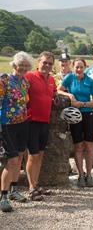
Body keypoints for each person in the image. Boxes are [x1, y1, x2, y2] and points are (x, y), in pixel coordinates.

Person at [57, 58, 93, 187]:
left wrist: (83, 103)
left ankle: (89, 175)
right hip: (74, 116)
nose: (79, 69)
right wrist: (69, 95)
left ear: (85, 67)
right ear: (73, 67)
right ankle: (81, 175)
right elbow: (58, 90)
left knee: (89, 147)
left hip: (88, 115)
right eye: (77, 67)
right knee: (78, 146)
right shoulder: (69, 78)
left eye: (81, 67)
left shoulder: (90, 81)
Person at [24, 51, 60, 201]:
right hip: (31, 121)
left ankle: (36, 184)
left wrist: (56, 95)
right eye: (44, 62)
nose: (47, 65)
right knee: (32, 156)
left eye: (50, 63)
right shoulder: (29, 76)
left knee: (40, 155)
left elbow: (54, 91)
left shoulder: (51, 79)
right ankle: (31, 188)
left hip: (44, 122)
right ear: (38, 62)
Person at [0, 52, 32, 212]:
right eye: (21, 65)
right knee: (11, 160)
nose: (24, 68)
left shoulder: (26, 82)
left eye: (26, 65)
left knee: (19, 157)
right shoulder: (4, 80)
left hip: (23, 123)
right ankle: (3, 196)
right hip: (7, 124)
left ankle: (14, 190)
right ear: (15, 65)